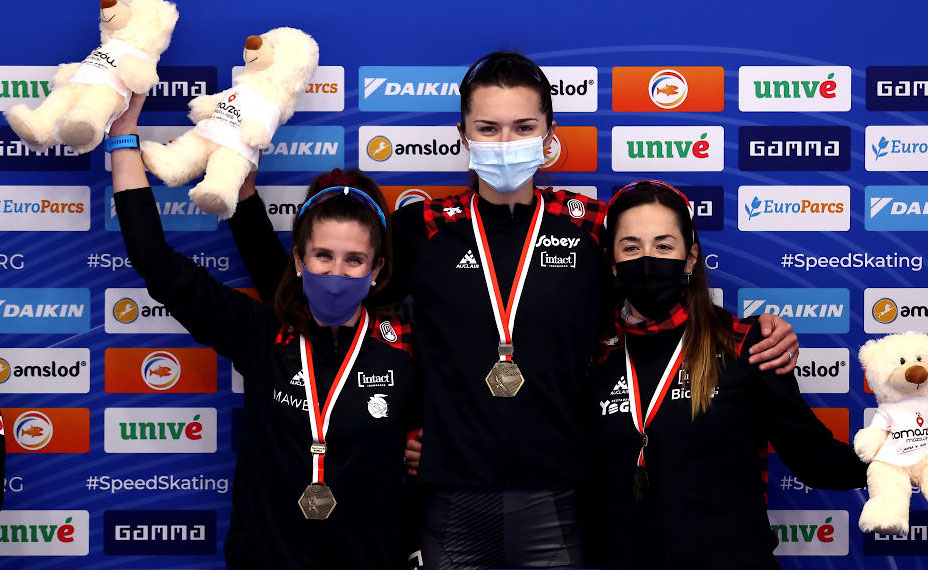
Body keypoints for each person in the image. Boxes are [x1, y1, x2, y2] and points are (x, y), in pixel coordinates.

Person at [229, 51, 799, 569]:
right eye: (489, 128)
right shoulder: (422, 230)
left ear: (549, 135)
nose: (506, 141)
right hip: (450, 497)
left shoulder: (593, 229)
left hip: (560, 499)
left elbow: (662, 304)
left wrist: (755, 332)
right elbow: (312, 292)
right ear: (464, 136)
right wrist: (245, 200)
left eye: (524, 127)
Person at [108, 94, 416, 569]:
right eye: (323, 256)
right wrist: (122, 137)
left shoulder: (404, 344)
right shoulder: (261, 331)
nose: (336, 272)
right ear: (298, 259)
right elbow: (155, 261)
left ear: (377, 269)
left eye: (354, 260)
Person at [591, 180, 868, 569]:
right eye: (631, 247)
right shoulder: (592, 357)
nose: (648, 259)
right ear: (613, 261)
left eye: (664, 245)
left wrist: (904, 452)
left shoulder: (745, 344)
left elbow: (815, 458)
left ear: (690, 258)